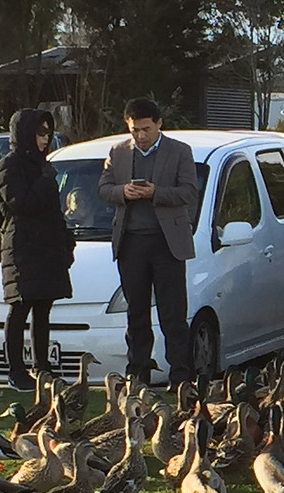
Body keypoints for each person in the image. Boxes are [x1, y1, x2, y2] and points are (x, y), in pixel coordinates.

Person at [97, 97, 198, 388]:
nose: (140, 136)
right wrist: (122, 191)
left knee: (173, 313)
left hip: (168, 244)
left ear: (158, 124)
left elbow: (189, 191)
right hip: (131, 243)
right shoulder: (118, 152)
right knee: (136, 312)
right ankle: (137, 373)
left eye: (145, 129)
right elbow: (103, 188)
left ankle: (180, 375)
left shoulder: (180, 151)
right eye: (134, 130)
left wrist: (155, 193)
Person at [0, 109, 74, 392]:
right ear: (26, 133)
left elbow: (53, 211)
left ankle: (43, 368)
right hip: (23, 249)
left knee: (43, 308)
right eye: (40, 133)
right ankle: (16, 370)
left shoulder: (42, 164)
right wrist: (44, 178)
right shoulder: (10, 165)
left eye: (48, 133)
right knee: (20, 307)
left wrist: (66, 242)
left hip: (47, 248)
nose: (45, 138)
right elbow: (21, 203)